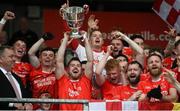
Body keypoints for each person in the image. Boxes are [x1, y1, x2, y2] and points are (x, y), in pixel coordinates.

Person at [55, 32, 93, 110]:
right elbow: (59, 61)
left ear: (82, 70)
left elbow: (90, 61)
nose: (75, 67)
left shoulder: (86, 80)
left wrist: (85, 38)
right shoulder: (62, 80)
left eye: (78, 66)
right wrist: (65, 39)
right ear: (67, 69)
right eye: (72, 66)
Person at [28, 33, 56, 109]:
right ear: (40, 58)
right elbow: (30, 53)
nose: (48, 57)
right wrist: (43, 39)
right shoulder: (35, 70)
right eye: (45, 55)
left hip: (54, 109)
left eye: (51, 56)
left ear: (54, 60)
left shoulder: (57, 73)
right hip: (36, 108)